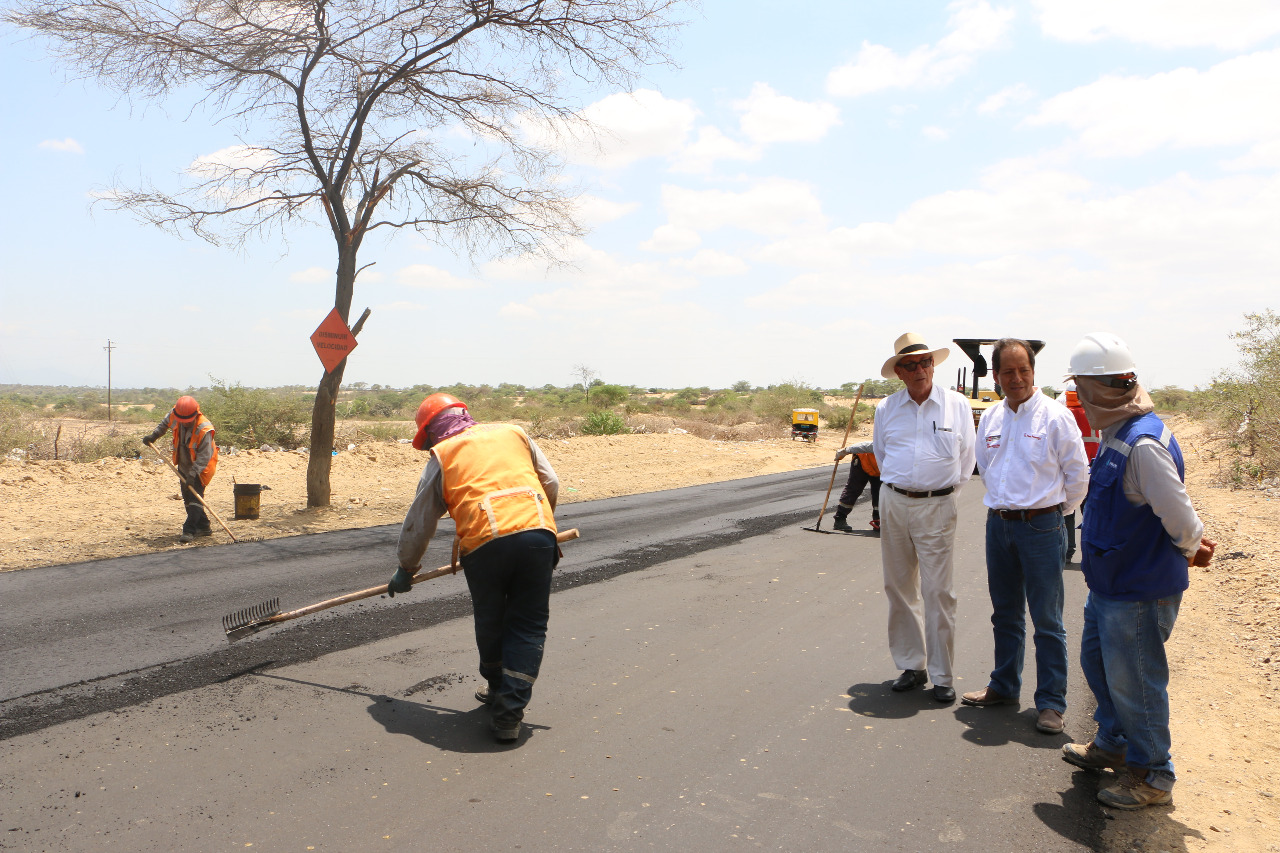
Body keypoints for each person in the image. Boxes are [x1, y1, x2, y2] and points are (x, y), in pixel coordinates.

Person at [1060, 332, 1216, 810]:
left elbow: (1181, 518)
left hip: (1139, 591)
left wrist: (1190, 548)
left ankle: (1153, 776)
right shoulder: (1118, 431)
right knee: (1099, 666)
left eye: (1080, 388)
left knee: (1138, 684)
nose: (1077, 397)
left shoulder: (1142, 443)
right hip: (1111, 586)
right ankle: (1113, 743)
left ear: (1095, 389)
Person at [393, 393, 561, 743]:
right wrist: (541, 526)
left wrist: (406, 568)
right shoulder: (514, 433)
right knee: (528, 626)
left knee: (491, 619)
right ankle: (509, 713)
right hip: (538, 535)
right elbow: (551, 482)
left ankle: (498, 686)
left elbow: (420, 521)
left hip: (484, 543)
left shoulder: (443, 454)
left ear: (431, 431)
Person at [961, 339, 1089, 736]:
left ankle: (1051, 703)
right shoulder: (992, 417)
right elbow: (986, 465)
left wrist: (1053, 515)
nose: (1016, 378)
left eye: (1024, 371)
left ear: (1033, 372)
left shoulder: (1055, 415)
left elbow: (1078, 475)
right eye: (1008, 372)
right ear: (996, 375)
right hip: (998, 525)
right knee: (1005, 613)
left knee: (1047, 619)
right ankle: (1003, 685)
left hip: (1042, 527)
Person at [872, 333, 976, 703]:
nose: (920, 369)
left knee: (939, 591)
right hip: (895, 502)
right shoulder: (886, 408)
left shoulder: (956, 405)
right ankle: (911, 665)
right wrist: (904, 489)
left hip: (938, 506)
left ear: (933, 365)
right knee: (899, 587)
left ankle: (943, 675)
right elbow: (882, 456)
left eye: (925, 362)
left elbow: (967, 460)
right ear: (899, 372)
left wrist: (942, 496)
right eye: (911, 364)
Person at [143, 395, 218, 544]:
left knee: (195, 498)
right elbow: (164, 424)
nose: (184, 423)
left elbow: (204, 456)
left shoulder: (204, 429)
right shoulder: (175, 414)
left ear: (195, 414)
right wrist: (154, 436)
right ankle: (204, 526)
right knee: (188, 498)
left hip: (201, 468)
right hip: (183, 464)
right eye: (182, 421)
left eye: (188, 421)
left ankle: (189, 530)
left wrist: (193, 474)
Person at [1062, 380, 1102, 562]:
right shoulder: (1094, 413)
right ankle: (1092, 552)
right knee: (1090, 513)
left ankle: (1068, 551)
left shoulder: (1063, 414)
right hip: (1093, 468)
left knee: (1067, 512)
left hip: (1070, 470)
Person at [832, 440, 881, 533]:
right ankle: (840, 519)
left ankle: (878, 521)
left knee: (880, 493)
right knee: (853, 489)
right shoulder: (884, 445)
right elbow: (865, 445)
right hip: (862, 462)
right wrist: (845, 451)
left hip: (878, 469)